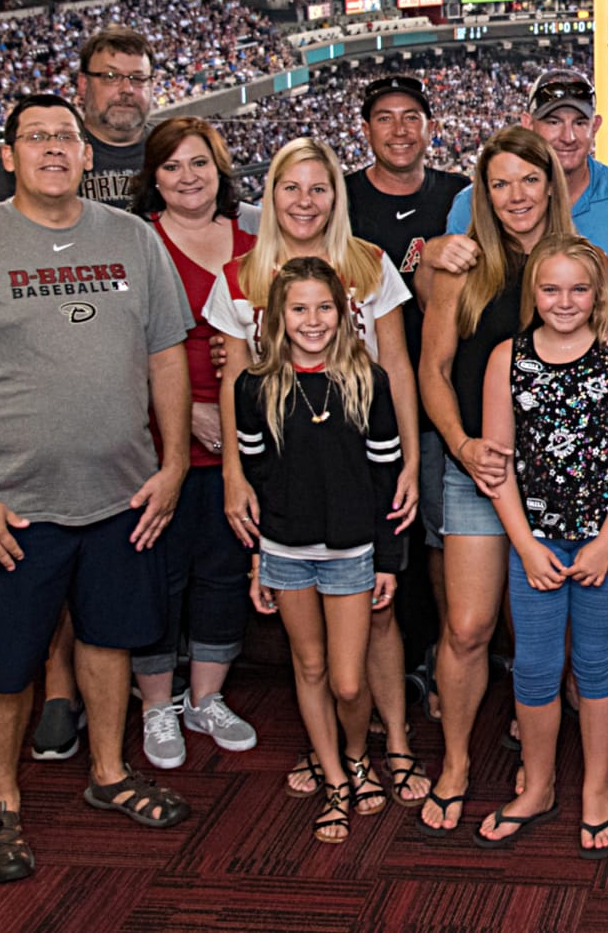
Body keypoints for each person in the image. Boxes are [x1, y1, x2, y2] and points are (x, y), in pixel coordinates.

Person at [0, 93, 195, 885]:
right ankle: (1, 800)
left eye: (67, 136)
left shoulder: (134, 240)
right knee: (2, 666)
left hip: (121, 496)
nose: (55, 149)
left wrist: (168, 468)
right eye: (37, 137)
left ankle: (108, 772)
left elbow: (167, 356)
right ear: (9, 154)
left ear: (88, 155)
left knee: (108, 641)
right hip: (10, 505)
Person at [213, 137, 428, 812]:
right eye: (290, 187)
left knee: (379, 620)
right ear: (269, 194)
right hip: (290, 483)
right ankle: (338, 750)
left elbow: (394, 367)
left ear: (337, 194)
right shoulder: (241, 273)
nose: (305, 201)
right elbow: (235, 383)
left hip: (361, 472)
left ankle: (392, 738)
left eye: (319, 187)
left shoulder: (368, 261)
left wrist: (411, 462)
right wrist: (233, 473)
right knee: (316, 652)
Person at [471, 234, 608, 857]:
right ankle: (541, 784)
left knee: (598, 664)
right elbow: (498, 465)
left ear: (598, 292)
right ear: (533, 293)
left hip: (607, 540)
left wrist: (605, 543)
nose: (565, 301)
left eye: (579, 288)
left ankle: (596, 788)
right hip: (537, 544)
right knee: (535, 666)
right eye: (551, 288)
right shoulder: (508, 358)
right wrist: (524, 546)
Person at [417, 126, 574, 835]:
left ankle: (534, 749)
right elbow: (434, 370)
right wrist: (461, 443)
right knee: (469, 624)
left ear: (551, 184)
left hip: (554, 476)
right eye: (501, 182)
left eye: (529, 179)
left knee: (537, 627)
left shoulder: (577, 262)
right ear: (484, 192)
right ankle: (453, 760)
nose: (516, 195)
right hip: (478, 468)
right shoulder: (461, 266)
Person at [233, 257, 407, 845]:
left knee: (349, 682)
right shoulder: (254, 387)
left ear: (344, 312)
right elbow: (256, 479)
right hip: (285, 551)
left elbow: (387, 480)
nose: (312, 320)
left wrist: (388, 558)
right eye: (299, 308)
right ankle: (336, 776)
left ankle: (357, 755)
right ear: (279, 316)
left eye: (324, 307)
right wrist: (258, 556)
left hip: (352, 552)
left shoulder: (368, 381)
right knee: (308, 666)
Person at [124, 119, 260, 770]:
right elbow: (122, 352)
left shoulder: (253, 242)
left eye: (200, 164)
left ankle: (206, 696)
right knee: (158, 575)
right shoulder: (137, 244)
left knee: (222, 571)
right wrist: (192, 413)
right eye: (173, 166)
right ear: (153, 178)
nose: (188, 177)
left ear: (221, 170)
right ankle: (157, 703)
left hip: (240, 447)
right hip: (161, 446)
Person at [342, 74, 469, 725]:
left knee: (441, 537)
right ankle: (370, 671)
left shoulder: (458, 197)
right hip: (356, 406)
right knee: (376, 537)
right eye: (385, 118)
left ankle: (447, 664)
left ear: (430, 125)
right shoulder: (339, 198)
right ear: (366, 129)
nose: (399, 129)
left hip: (440, 394)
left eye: (412, 116)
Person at [442, 66, 608, 275]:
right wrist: (432, 256)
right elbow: (441, 292)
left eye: (580, 122)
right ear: (528, 123)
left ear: (595, 126)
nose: (568, 137)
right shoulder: (474, 202)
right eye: (553, 122)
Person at [0, 27, 158, 212]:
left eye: (138, 78)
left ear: (152, 85)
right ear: (84, 84)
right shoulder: (37, 153)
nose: (127, 89)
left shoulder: (175, 146)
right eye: (110, 77)